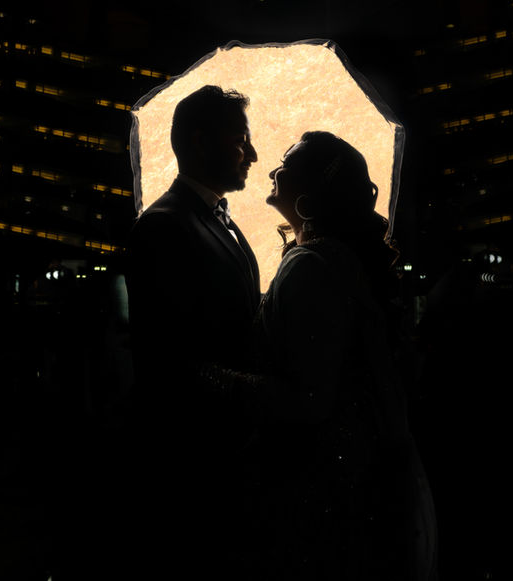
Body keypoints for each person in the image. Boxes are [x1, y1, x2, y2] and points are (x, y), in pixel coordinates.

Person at [197, 131, 437, 579]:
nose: (271, 169)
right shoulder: (339, 260)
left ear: (309, 195)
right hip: (349, 481)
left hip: (317, 487)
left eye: (286, 164)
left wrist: (213, 378)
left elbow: (308, 399)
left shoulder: (310, 266)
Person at [123, 85, 260, 578]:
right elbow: (165, 358)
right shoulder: (163, 226)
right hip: (193, 457)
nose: (253, 154)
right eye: (241, 140)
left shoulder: (221, 220)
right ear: (200, 142)